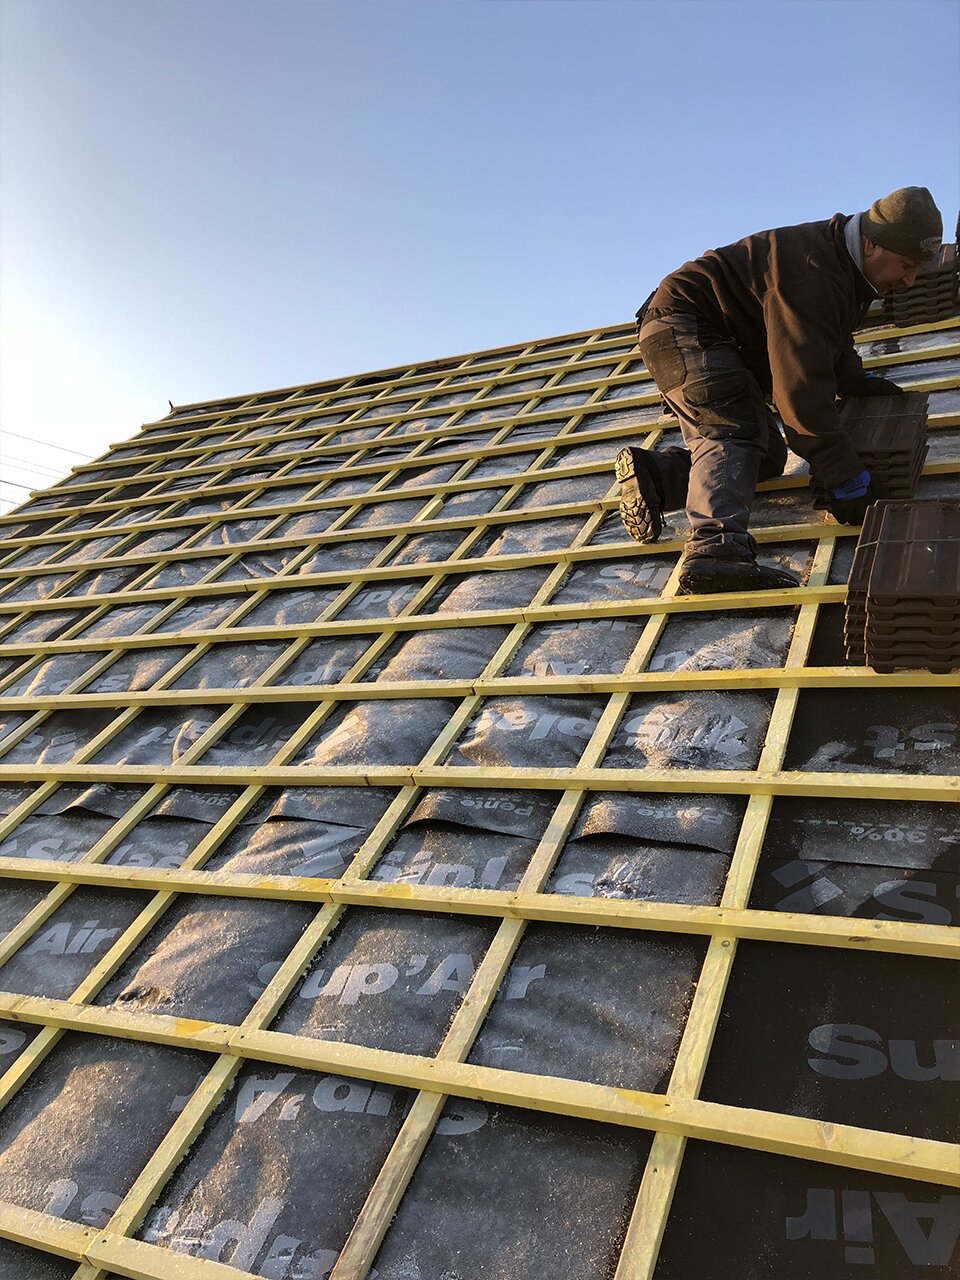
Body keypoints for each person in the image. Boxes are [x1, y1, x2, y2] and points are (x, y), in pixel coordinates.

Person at [616, 186, 943, 594]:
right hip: (686, 324)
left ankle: (657, 477)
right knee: (730, 429)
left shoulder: (846, 268)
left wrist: (856, 381)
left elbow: (827, 340)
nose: (910, 281)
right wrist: (844, 476)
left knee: (767, 456)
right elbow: (800, 392)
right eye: (907, 265)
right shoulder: (815, 272)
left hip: (719, 335)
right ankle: (716, 550)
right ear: (874, 244)